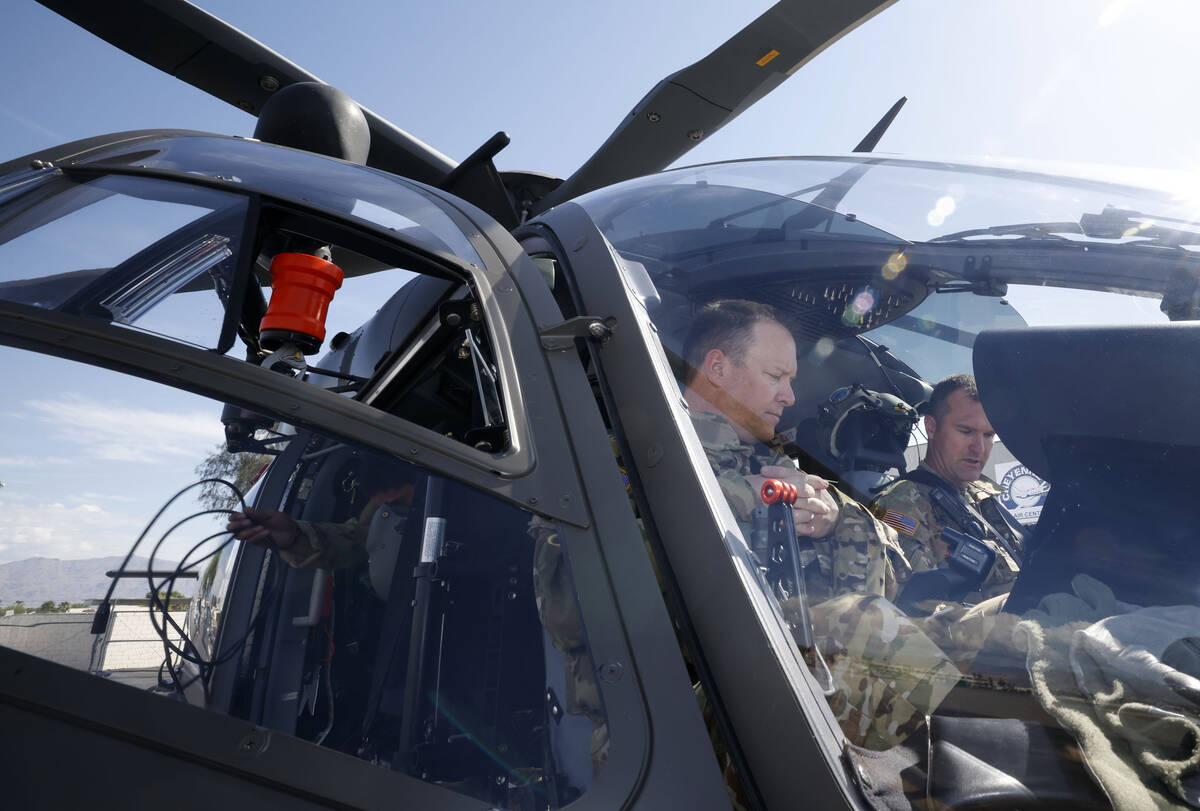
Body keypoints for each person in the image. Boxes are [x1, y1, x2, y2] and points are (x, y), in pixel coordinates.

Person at [682, 299, 899, 602]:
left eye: (790, 381)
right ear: (717, 368)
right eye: (775, 376)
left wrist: (834, 518)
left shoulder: (770, 464)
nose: (790, 397)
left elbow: (894, 571)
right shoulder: (639, 451)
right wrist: (741, 497)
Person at [871, 374, 1024, 607]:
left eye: (988, 435)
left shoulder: (981, 495)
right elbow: (919, 612)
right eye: (965, 431)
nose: (979, 447)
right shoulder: (900, 506)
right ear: (931, 428)